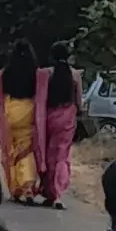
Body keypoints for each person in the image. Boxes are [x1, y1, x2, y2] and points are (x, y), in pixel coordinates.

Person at [0, 40, 42, 204]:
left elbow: (1, 94)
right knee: (26, 150)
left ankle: (16, 189)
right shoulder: (35, 73)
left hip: (11, 110)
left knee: (13, 150)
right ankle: (28, 187)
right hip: (28, 110)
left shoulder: (6, 72)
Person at [41, 48, 83, 207]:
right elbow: (79, 102)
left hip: (49, 116)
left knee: (49, 154)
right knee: (61, 155)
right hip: (67, 117)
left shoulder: (47, 74)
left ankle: (49, 192)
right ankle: (58, 193)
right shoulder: (75, 75)